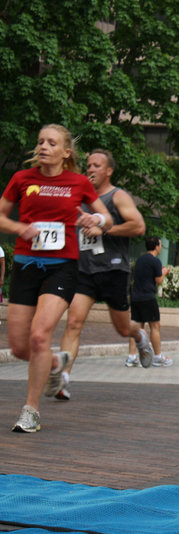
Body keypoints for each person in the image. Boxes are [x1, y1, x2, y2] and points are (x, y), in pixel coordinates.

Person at [0, 124, 112, 432]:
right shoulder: (22, 179)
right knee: (21, 348)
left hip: (62, 266)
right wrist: (18, 228)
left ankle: (30, 410)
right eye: (40, 142)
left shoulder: (77, 182)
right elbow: (0, 215)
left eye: (51, 142)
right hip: (25, 265)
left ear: (66, 152)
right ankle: (54, 362)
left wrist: (95, 220)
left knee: (39, 336)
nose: (44, 146)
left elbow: (106, 216)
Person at [57, 149, 153, 400]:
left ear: (109, 170)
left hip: (112, 269)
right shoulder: (80, 198)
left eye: (96, 165)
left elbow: (139, 226)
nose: (90, 169)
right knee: (73, 322)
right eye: (88, 165)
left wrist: (104, 230)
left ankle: (139, 335)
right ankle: (63, 379)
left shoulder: (117, 196)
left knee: (122, 329)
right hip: (84, 270)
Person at [126, 236, 171, 367]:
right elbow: (159, 281)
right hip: (148, 298)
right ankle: (157, 356)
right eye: (160, 245)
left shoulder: (139, 259)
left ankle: (132, 357)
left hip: (136, 298)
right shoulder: (155, 261)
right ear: (156, 246)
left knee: (137, 328)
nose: (161, 247)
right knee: (155, 327)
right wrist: (164, 272)